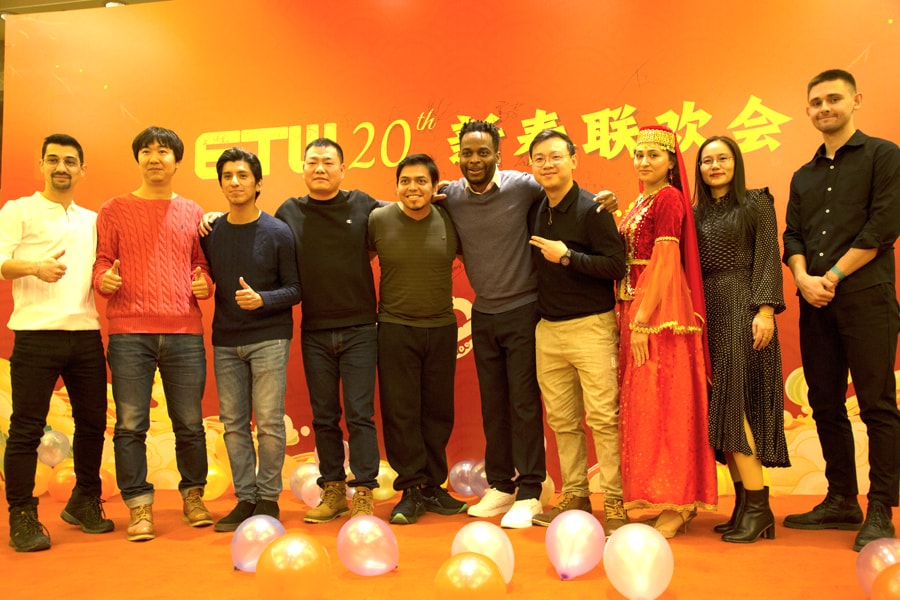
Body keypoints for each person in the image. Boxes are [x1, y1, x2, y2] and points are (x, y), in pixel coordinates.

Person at [782, 69, 900, 552]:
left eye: (833, 99)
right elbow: (792, 236)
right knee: (825, 405)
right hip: (815, 303)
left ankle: (881, 509)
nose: (824, 108)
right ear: (808, 110)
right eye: (816, 102)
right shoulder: (803, 175)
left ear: (855, 100)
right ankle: (841, 499)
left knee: (877, 404)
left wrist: (831, 276)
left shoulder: (883, 155)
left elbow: (883, 226)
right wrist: (803, 278)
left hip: (867, 297)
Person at [93, 126, 213, 542]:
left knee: (190, 422)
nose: (154, 158)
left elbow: (202, 265)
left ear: (177, 161)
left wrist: (205, 284)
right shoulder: (114, 209)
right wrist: (103, 281)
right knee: (130, 424)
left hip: (184, 331)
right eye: (146, 151)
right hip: (129, 332)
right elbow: (102, 261)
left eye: (163, 151)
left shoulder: (193, 211)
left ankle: (193, 496)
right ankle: (139, 505)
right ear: (138, 159)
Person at [0, 134, 114, 552]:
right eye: (53, 160)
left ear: (82, 169)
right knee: (26, 429)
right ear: (42, 165)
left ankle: (84, 499)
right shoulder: (19, 210)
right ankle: (22, 514)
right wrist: (34, 266)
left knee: (93, 425)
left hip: (85, 335)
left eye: (69, 161)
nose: (61, 167)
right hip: (35, 336)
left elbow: (107, 265)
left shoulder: (92, 220)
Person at [439, 120, 548, 528]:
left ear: (498, 156)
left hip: (524, 309)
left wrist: (602, 202)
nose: (475, 160)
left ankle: (531, 490)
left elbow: (564, 193)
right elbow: (410, 200)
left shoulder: (523, 186)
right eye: (467, 153)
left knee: (524, 403)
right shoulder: (450, 195)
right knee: (494, 404)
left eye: (483, 152)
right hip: (483, 313)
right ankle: (501, 485)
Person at [272, 139, 382, 522]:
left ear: (342, 169)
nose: (320, 168)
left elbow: (405, 210)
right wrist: (216, 217)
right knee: (323, 416)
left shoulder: (363, 204)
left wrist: (439, 194)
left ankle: (364, 490)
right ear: (303, 168)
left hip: (361, 328)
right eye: (313, 162)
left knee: (360, 414)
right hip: (315, 330)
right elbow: (259, 233)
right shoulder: (289, 211)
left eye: (328, 162)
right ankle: (333, 489)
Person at [616, 124, 717, 538]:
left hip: (660, 316)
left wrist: (643, 319)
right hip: (634, 308)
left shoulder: (669, 197)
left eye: (653, 155)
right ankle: (658, 497)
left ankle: (680, 503)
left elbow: (665, 260)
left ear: (672, 161)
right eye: (639, 155)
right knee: (645, 408)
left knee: (667, 406)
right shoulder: (640, 200)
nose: (644, 162)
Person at [526, 130, 627, 534]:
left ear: (573, 159)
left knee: (603, 417)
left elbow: (616, 265)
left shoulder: (593, 208)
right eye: (539, 158)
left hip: (592, 327)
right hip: (547, 330)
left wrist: (567, 256)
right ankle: (576, 494)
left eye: (555, 156)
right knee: (562, 420)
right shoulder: (536, 206)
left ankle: (615, 499)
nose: (547, 164)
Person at [694, 136, 790, 543]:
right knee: (722, 410)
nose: (715, 166)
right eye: (707, 160)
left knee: (737, 408)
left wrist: (765, 311)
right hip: (707, 312)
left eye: (723, 158)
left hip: (744, 307)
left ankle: (759, 508)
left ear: (736, 163)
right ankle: (744, 506)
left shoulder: (755, 202)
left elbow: (768, 256)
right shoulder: (694, 214)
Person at [200, 148, 301, 532]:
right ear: (220, 183)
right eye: (227, 176)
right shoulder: (212, 232)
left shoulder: (278, 232)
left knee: (270, 422)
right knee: (233, 424)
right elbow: (203, 274)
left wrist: (263, 300)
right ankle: (245, 498)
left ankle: (268, 499)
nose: (235, 182)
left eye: (243, 176)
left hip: (269, 338)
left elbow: (295, 289)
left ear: (258, 184)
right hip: (226, 340)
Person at [368, 153, 465, 524]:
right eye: (405, 181)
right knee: (401, 412)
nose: (413, 188)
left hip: (441, 327)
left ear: (435, 186)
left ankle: (432, 487)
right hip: (395, 328)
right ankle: (410, 489)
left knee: (438, 412)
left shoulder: (451, 218)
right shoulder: (378, 219)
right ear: (396, 186)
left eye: (421, 181)